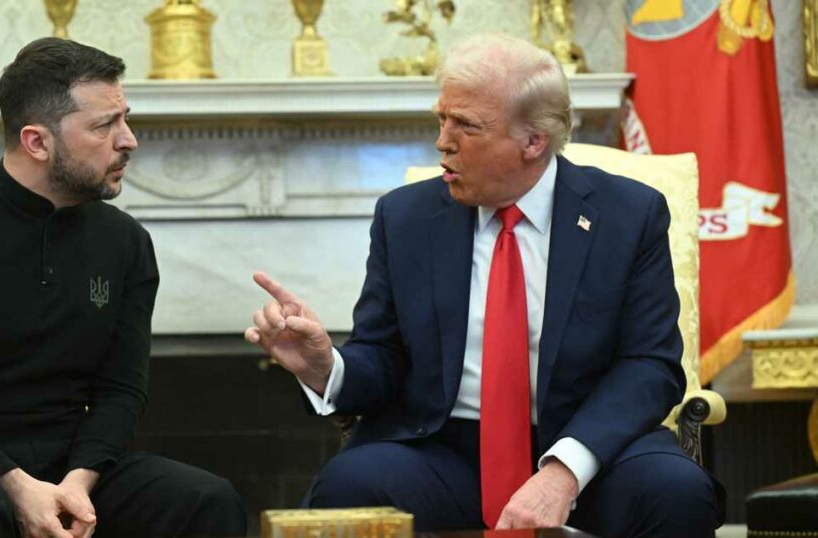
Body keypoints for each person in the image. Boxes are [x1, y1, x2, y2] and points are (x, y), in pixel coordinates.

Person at [245, 33, 723, 537]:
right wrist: (326, 368)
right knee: (349, 486)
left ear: (533, 141)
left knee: (676, 492)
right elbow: (383, 356)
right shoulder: (406, 217)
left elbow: (650, 365)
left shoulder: (627, 214)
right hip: (442, 449)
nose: (442, 141)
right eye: (441, 119)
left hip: (590, 445)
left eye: (466, 125)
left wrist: (564, 470)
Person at [0, 37, 246, 538]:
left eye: (125, 119)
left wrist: (78, 483)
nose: (128, 140)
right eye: (105, 126)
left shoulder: (125, 241)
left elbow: (122, 388)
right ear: (37, 142)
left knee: (205, 500)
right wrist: (15, 485)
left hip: (69, 463)